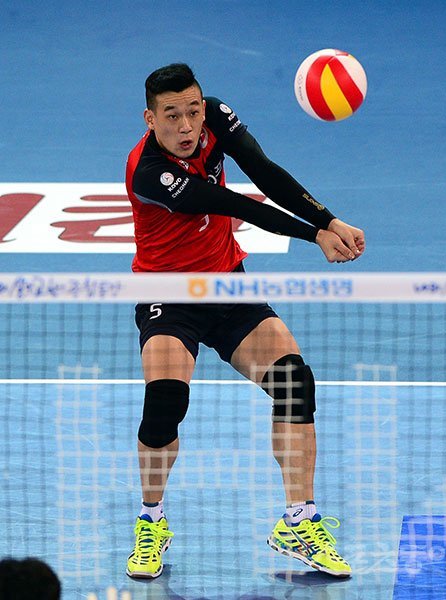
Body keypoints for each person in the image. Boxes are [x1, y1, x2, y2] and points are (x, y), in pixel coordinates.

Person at [125, 63, 365, 580]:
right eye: (172, 116)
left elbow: (263, 171)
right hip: (169, 296)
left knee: (294, 383)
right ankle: (151, 520)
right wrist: (315, 236)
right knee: (165, 402)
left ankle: (299, 521)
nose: (188, 125)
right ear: (151, 119)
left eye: (193, 111)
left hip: (228, 286)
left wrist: (329, 219)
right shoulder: (150, 174)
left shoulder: (216, 117)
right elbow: (236, 204)